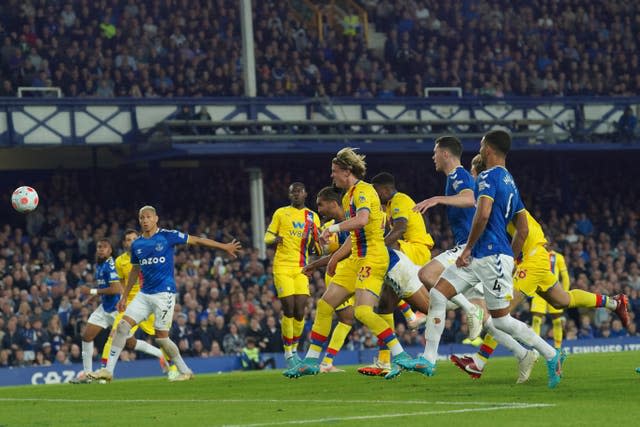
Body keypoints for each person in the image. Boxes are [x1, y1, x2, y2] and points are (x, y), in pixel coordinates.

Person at [451, 155, 630, 382]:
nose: (473, 179)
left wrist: (510, 260)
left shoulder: (494, 196)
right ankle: (614, 302)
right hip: (536, 254)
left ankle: (480, 361)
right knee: (562, 300)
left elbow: (521, 231)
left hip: (531, 257)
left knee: (502, 312)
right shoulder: (498, 194)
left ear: (480, 173)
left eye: (473, 174)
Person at [411, 130, 565, 389]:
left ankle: (551, 354)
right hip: (488, 256)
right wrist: (511, 256)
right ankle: (428, 359)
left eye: (482, 145)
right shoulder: (510, 181)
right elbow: (523, 227)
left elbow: (481, 214)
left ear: (489, 150)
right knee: (438, 293)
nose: (479, 149)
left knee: (502, 320)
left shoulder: (486, 177)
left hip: (488, 255)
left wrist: (470, 248)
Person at [284, 148, 417, 379]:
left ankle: (401, 355)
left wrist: (332, 228)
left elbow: (363, 219)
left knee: (363, 312)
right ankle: (312, 361)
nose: (332, 176)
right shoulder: (347, 196)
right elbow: (355, 233)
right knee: (325, 305)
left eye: (335, 171)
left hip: (373, 256)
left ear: (347, 171)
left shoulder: (363, 191)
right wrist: (335, 257)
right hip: (356, 256)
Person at [88, 205, 241, 382]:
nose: (145, 221)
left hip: (164, 295)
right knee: (122, 326)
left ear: (155, 219)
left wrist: (224, 247)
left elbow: (197, 240)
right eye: (141, 218)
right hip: (144, 295)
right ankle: (108, 371)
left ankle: (185, 370)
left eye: (148, 217)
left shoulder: (168, 236)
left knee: (161, 339)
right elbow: (134, 272)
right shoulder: (137, 244)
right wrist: (124, 297)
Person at [413, 136, 486, 340]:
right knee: (495, 323)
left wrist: (436, 199)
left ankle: (468, 309)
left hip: (469, 247)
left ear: (445, 153)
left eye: (435, 152)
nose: (433, 156)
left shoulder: (458, 174)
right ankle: (528, 353)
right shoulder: (452, 177)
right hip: (473, 248)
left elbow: (469, 198)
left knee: (427, 275)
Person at [71, 239, 168, 383]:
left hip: (118, 309)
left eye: (104, 247)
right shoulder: (100, 265)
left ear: (110, 250)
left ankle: (107, 373)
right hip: (105, 308)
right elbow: (104, 288)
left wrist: (91, 291)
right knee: (87, 336)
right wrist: (87, 301)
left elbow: (116, 289)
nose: (101, 249)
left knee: (125, 342)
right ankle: (87, 374)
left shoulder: (110, 264)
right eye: (99, 247)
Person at [101, 229, 177, 377]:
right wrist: (122, 298)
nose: (132, 242)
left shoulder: (147, 254)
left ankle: (173, 368)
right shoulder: (119, 262)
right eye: (128, 239)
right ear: (124, 243)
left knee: (161, 336)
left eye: (135, 238)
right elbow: (120, 283)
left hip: (147, 301)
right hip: (130, 304)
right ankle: (105, 371)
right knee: (115, 334)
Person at [264, 182, 320, 368]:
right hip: (282, 267)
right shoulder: (281, 213)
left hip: (301, 268)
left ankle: (294, 349)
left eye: (299, 191)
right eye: (292, 192)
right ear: (290, 195)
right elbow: (266, 237)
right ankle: (288, 352)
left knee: (300, 310)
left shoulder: (312, 217)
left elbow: (316, 243)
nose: (296, 194)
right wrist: (275, 239)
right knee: (288, 308)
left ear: (305, 194)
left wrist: (319, 247)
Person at [302, 186, 353, 373]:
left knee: (348, 318)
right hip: (338, 275)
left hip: (350, 273)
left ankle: (324, 361)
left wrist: (314, 264)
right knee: (346, 318)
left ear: (333, 204)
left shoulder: (349, 222)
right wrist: (315, 263)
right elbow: (338, 255)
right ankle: (322, 361)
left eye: (321, 205)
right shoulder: (333, 228)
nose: (319, 210)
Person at [531, 249, 570, 349]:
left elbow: (565, 277)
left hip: (554, 291)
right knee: (536, 320)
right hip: (539, 290)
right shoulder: (535, 254)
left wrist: (564, 293)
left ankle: (558, 348)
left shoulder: (558, 257)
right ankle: (536, 349)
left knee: (557, 321)